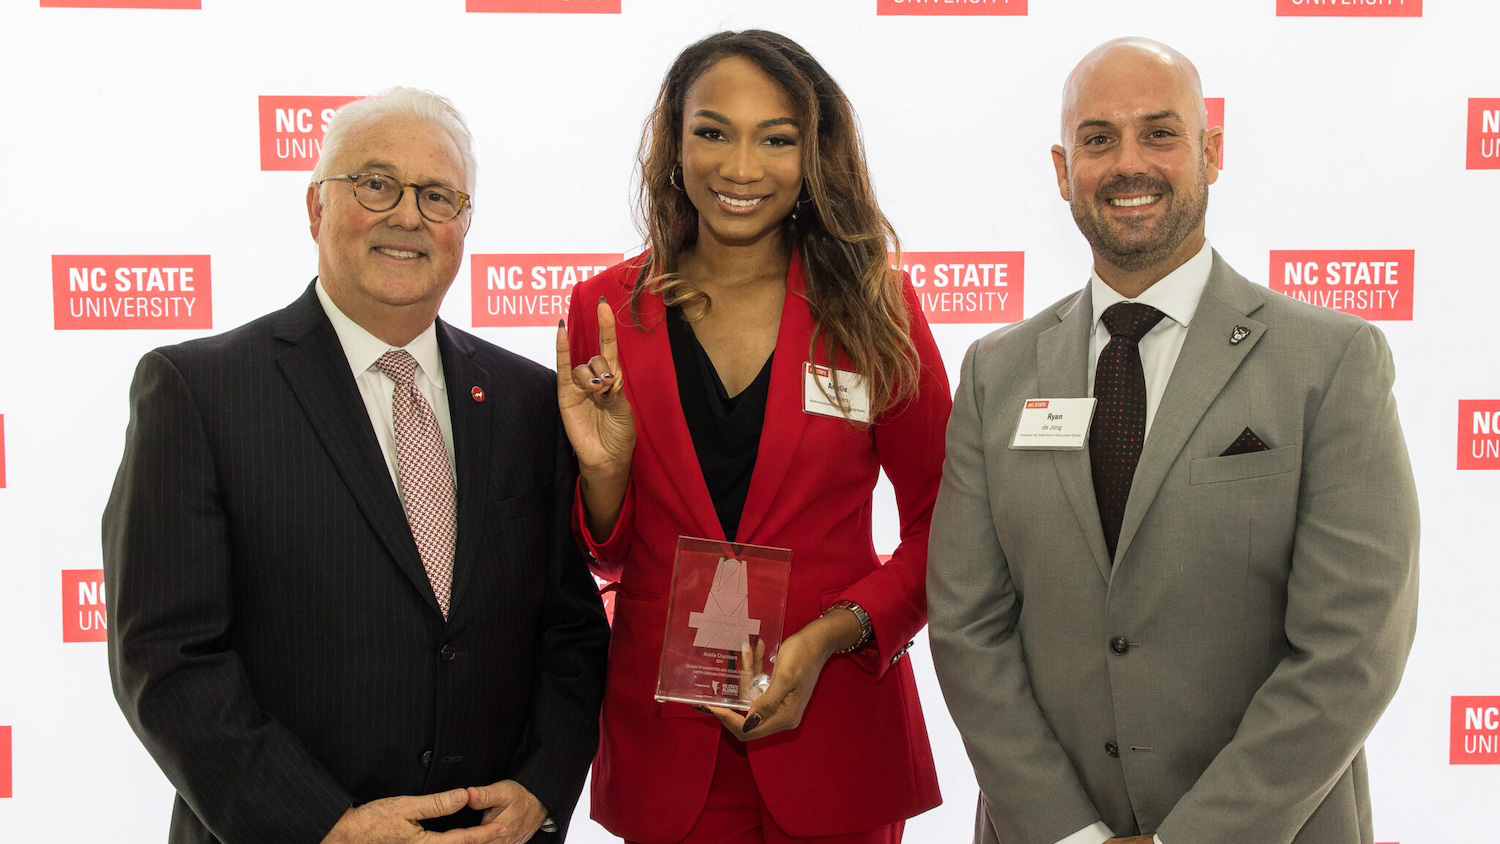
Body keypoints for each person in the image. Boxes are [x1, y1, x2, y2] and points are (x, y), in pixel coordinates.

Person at [928, 37, 1419, 844]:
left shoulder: (1330, 363)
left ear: (1210, 152)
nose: (1129, 163)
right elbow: (967, 626)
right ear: (1062, 171)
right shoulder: (995, 372)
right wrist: (1068, 832)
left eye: (1160, 133)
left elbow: (1353, 646)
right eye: (1098, 139)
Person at [103, 87, 609, 844]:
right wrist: (321, 826)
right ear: (315, 208)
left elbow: (572, 632)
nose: (408, 215)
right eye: (375, 184)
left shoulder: (532, 400)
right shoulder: (199, 392)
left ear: (464, 225)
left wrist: (540, 791)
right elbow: (166, 659)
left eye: (438, 196)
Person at [557, 30, 949, 844]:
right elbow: (602, 554)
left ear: (814, 156)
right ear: (674, 142)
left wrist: (833, 634)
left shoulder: (877, 307)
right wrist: (603, 477)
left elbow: (947, 527)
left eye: (777, 138)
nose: (741, 168)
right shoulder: (602, 311)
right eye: (713, 131)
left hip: (835, 729)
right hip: (668, 746)